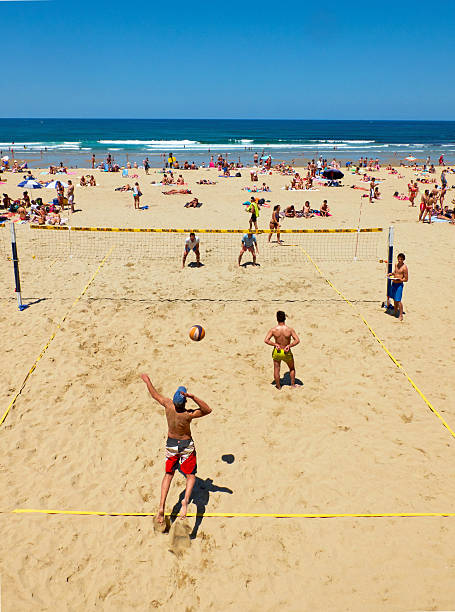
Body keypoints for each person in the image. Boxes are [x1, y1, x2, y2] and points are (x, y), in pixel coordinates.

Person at [140, 374, 211, 524]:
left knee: (168, 475)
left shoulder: (168, 405)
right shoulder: (188, 414)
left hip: (171, 444)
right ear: (184, 401)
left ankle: (161, 507)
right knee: (191, 476)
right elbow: (207, 409)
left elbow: (154, 394)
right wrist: (193, 397)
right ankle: (185, 501)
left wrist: (147, 381)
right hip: (186, 445)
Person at [264, 310, 300, 389]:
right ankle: (293, 385)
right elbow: (297, 340)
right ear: (285, 318)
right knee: (291, 368)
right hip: (286, 351)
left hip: (277, 351)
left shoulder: (273, 330)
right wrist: (289, 345)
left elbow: (266, 340)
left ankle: (278, 386)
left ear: (277, 319)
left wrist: (275, 344)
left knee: (276, 369)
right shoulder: (289, 330)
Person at [388, 253, 408, 321]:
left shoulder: (404, 267)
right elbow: (395, 272)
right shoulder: (396, 264)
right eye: (399, 259)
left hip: (399, 285)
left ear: (403, 260)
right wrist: (391, 274)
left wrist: (400, 280)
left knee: (398, 300)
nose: (399, 260)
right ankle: (395, 312)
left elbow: (406, 279)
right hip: (394, 283)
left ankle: (401, 315)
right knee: (394, 299)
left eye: (401, 259)